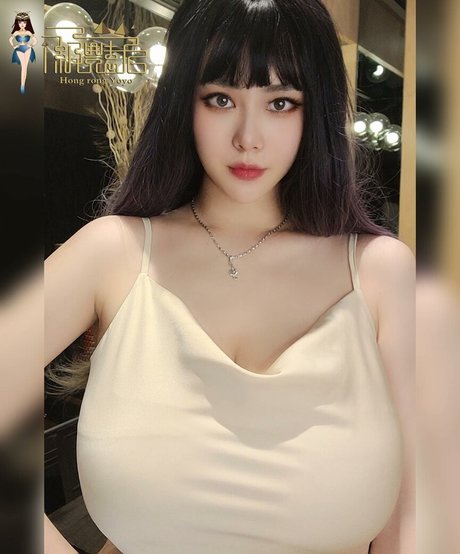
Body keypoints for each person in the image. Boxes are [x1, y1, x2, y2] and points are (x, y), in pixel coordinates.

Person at [44, 0, 415, 552]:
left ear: (315, 112)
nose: (248, 137)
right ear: (182, 103)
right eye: (220, 99)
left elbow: (416, 509)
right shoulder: (114, 252)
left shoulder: (379, 273)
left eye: (281, 103)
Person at [9, 12, 37, 95]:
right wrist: (14, 46)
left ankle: (23, 85)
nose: (22, 24)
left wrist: (31, 45)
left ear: (26, 23)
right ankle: (22, 85)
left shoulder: (28, 32)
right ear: (18, 23)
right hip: (19, 49)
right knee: (23, 67)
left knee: (25, 67)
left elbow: (35, 41)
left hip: (28, 49)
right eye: (20, 22)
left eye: (24, 22)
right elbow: (10, 40)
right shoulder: (16, 32)